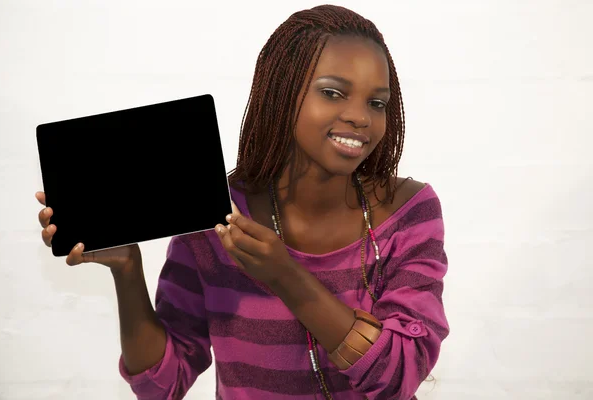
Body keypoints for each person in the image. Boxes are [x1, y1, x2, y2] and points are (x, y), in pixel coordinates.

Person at [35, 4, 449, 400]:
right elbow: (162, 385)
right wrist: (127, 271)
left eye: (377, 102)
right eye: (333, 93)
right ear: (281, 93)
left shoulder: (408, 213)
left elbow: (400, 373)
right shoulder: (217, 218)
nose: (361, 117)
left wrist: (285, 276)